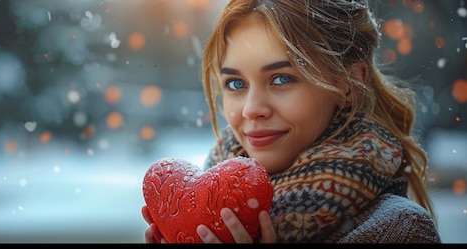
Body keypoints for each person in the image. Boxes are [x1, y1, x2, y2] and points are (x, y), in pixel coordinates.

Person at [141, 0, 441, 243]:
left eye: (281, 79)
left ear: (348, 84)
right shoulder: (206, 214)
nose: (251, 109)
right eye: (235, 84)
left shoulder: (400, 229)